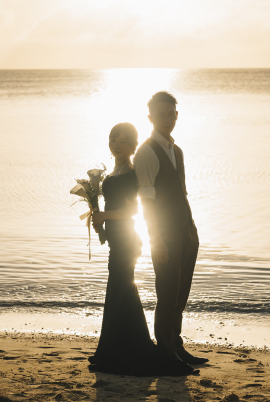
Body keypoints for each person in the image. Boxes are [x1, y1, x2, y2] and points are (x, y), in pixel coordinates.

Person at [88, 122, 195, 377]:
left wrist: (104, 217)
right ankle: (112, 350)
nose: (115, 144)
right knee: (117, 292)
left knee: (123, 292)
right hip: (117, 239)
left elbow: (132, 210)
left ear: (133, 145)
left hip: (127, 241)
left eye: (122, 141)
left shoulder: (129, 173)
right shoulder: (114, 171)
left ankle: (130, 352)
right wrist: (100, 218)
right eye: (113, 139)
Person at [133, 92, 208, 367]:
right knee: (167, 293)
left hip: (187, 232)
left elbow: (181, 193)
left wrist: (192, 230)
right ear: (150, 117)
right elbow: (146, 200)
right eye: (161, 114)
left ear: (176, 115)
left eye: (171, 113)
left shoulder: (177, 151)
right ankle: (164, 351)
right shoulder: (146, 152)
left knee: (181, 294)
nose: (167, 118)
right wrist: (157, 240)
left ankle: (176, 345)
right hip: (164, 235)